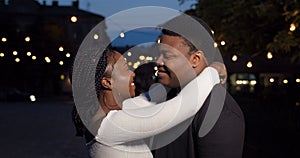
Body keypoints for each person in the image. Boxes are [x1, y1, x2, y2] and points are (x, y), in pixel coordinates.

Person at [83, 47, 221, 158]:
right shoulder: (112, 125)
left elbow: (147, 100)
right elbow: (185, 105)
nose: (133, 73)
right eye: (125, 69)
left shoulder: (107, 115)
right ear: (108, 82)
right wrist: (214, 71)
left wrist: (173, 78)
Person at [151, 15, 245, 158]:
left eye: (167, 56)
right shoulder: (168, 95)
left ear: (195, 59)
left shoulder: (218, 111)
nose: (158, 61)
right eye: (159, 54)